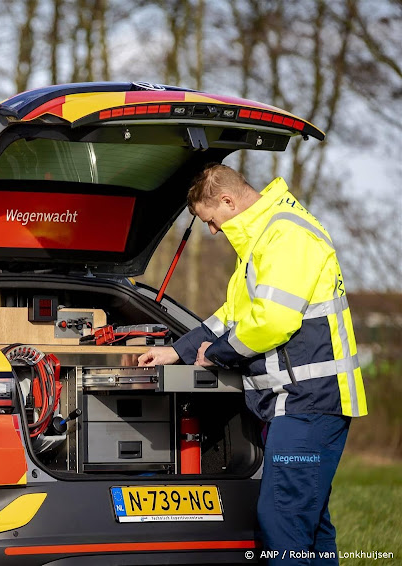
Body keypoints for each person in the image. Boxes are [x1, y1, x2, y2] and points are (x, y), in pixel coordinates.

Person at [138, 164, 367, 565]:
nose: (212, 231)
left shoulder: (287, 236)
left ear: (228, 201)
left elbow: (273, 321)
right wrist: (178, 350)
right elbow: (232, 315)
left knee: (282, 521)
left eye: (211, 221)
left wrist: (218, 354)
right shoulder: (263, 243)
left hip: (309, 406)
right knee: (310, 526)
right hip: (299, 406)